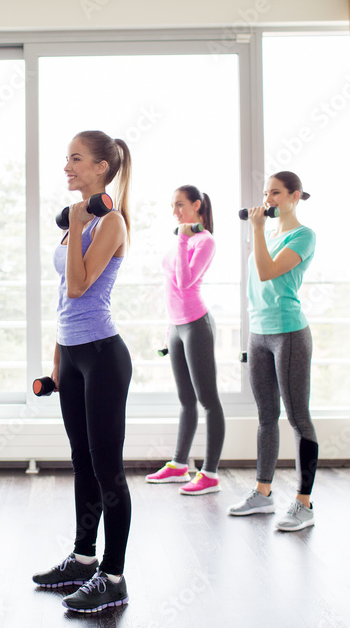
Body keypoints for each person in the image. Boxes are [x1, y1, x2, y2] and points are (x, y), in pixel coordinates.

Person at [32, 131, 133, 613]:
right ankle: (82, 557)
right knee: (81, 461)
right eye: (66, 158)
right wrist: (56, 361)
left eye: (75, 159)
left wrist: (76, 221)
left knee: (107, 468)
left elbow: (77, 287)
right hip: (73, 356)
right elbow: (62, 303)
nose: (67, 166)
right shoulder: (77, 222)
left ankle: (113, 577)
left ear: (100, 169)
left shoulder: (109, 222)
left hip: (103, 356)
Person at [228, 171, 317, 531]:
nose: (269, 200)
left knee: (297, 417)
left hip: (289, 332)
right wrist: (262, 230)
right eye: (266, 193)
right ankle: (263, 495)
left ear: (294, 196)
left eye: (276, 193)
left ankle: (304, 503)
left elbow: (266, 273)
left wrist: (256, 229)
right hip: (259, 332)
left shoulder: (303, 236)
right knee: (266, 416)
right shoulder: (271, 233)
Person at [146, 186, 226, 495]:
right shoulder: (185, 240)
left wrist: (182, 238)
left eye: (180, 205)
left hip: (196, 325)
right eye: (172, 206)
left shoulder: (204, 241)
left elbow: (184, 281)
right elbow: (170, 287)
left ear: (197, 205)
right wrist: (169, 330)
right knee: (185, 400)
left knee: (208, 400)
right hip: (177, 327)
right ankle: (179, 465)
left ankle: (210, 474)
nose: (175, 211)